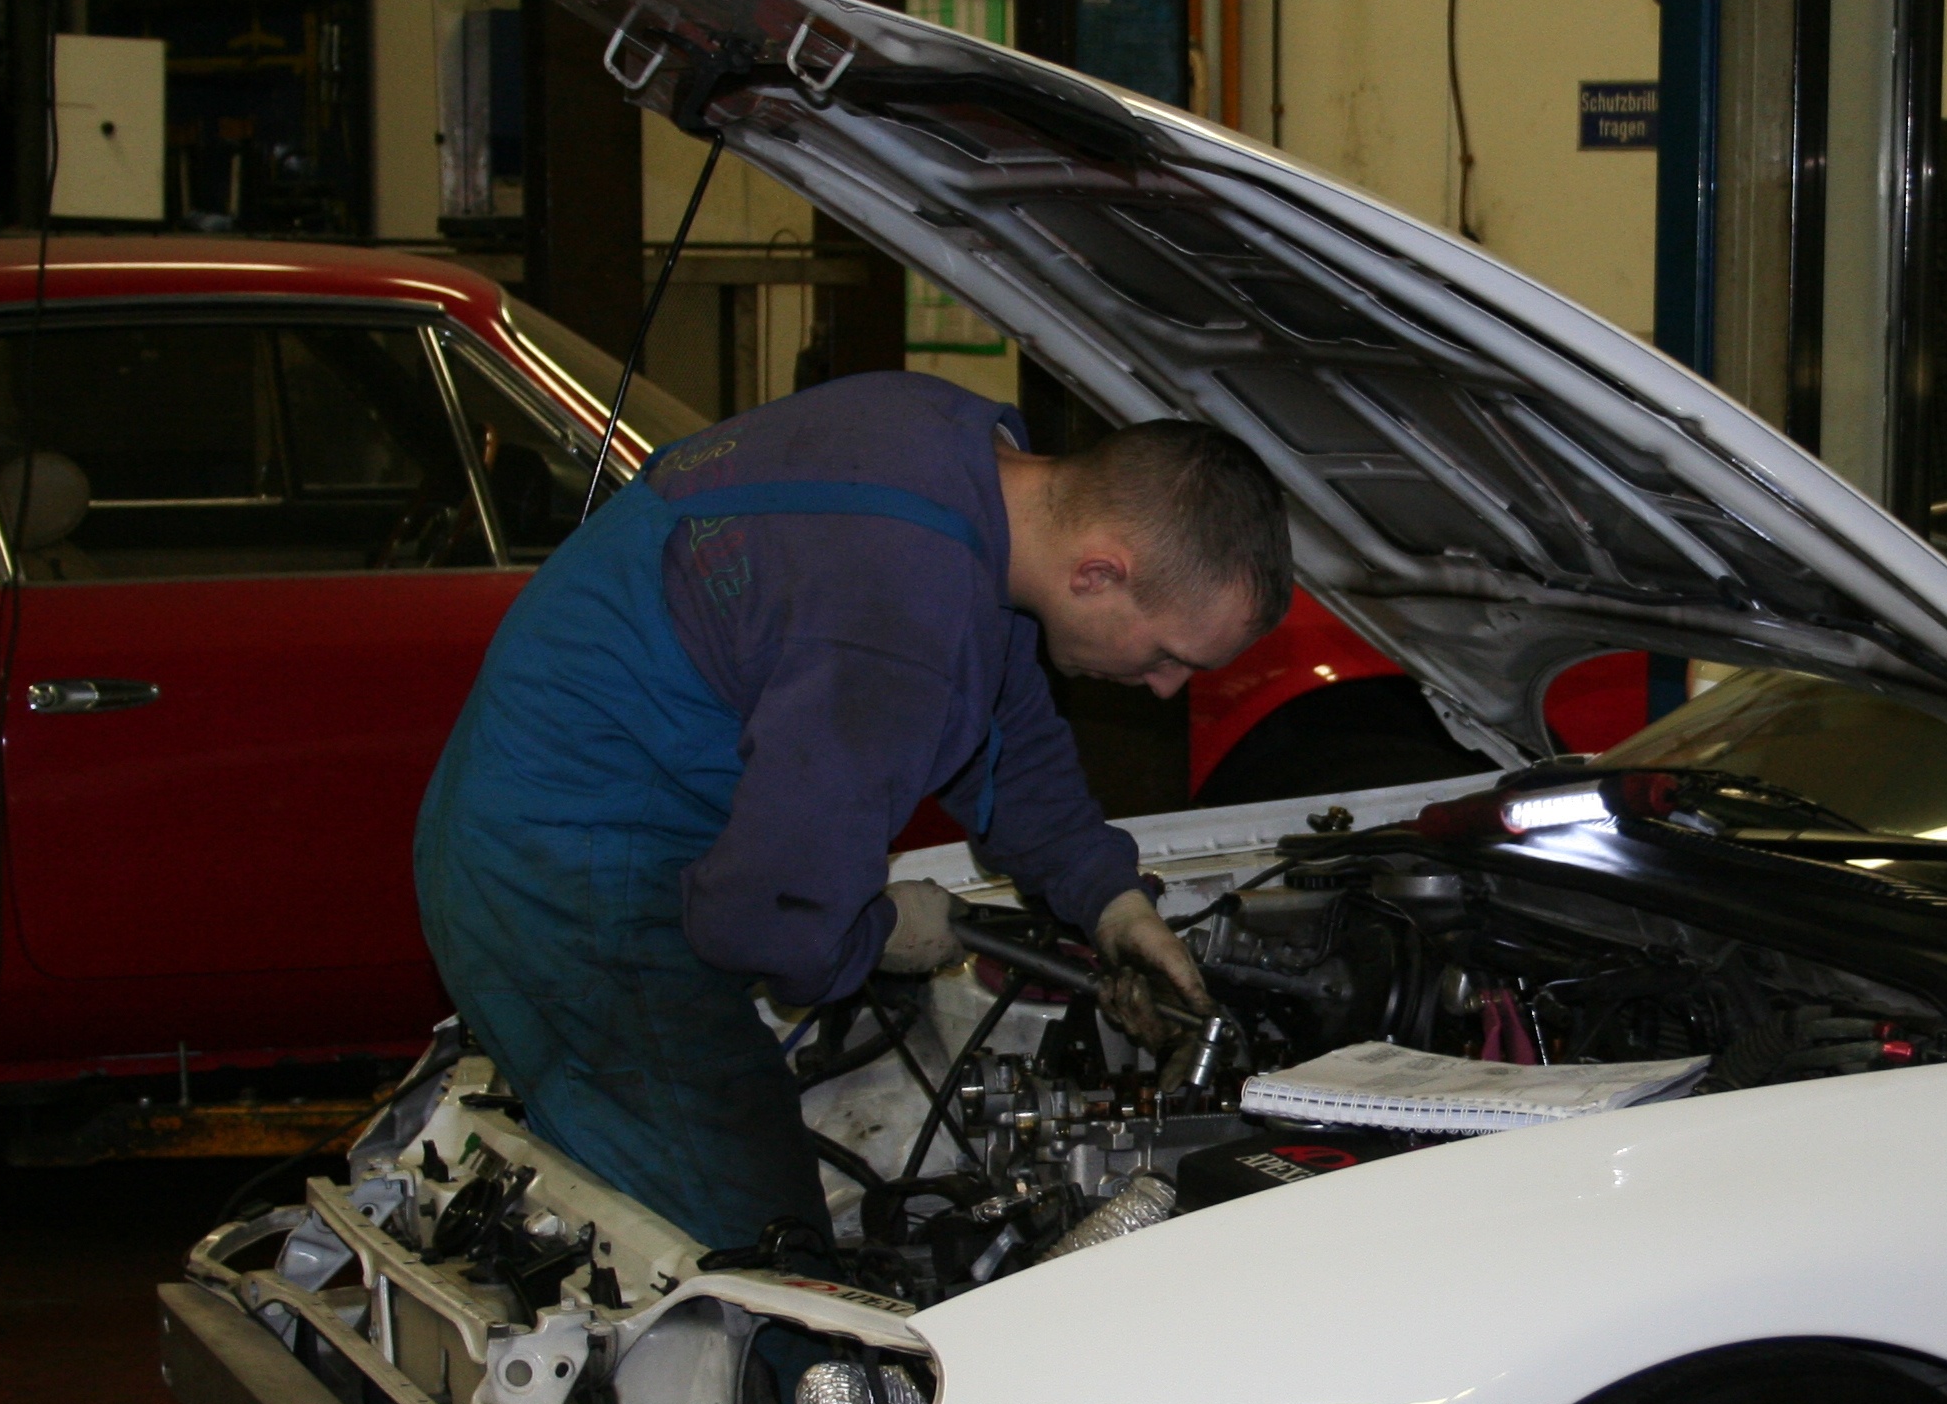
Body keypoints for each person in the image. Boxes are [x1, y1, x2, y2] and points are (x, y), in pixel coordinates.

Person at [413, 368, 1294, 1251]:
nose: (1166, 687)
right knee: (758, 1248)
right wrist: (882, 933)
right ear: (1099, 572)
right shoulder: (897, 612)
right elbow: (766, 921)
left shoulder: (956, 458)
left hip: (537, 797)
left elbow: (1007, 727)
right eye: (1171, 654)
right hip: (567, 886)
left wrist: (1111, 902)